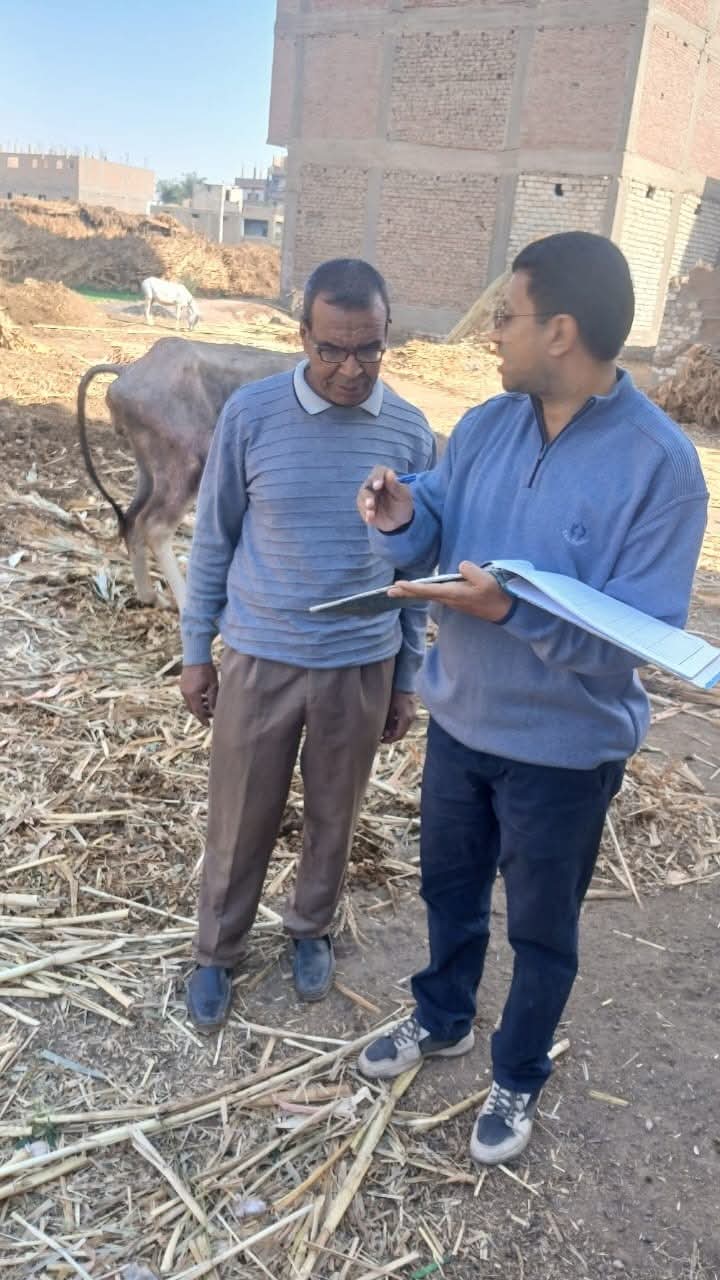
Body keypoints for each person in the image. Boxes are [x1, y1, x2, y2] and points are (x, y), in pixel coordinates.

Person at [355, 232, 708, 1166]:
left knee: (543, 929)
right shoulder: (484, 426)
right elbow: (434, 514)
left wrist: (510, 611)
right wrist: (403, 514)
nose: (493, 334)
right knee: (449, 890)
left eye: (506, 316)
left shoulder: (662, 468)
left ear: (560, 331)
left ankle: (517, 1071)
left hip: (565, 752)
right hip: (461, 721)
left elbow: (633, 639)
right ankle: (443, 1017)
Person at [180, 258, 436, 1029]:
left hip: (360, 663)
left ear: (387, 337)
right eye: (332, 349)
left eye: (369, 349)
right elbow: (214, 538)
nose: (351, 368)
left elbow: (416, 569)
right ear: (302, 337)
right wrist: (197, 650)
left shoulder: (411, 431)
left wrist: (407, 676)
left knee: (335, 814)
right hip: (261, 656)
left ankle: (310, 927)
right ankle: (217, 950)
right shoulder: (251, 415)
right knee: (240, 814)